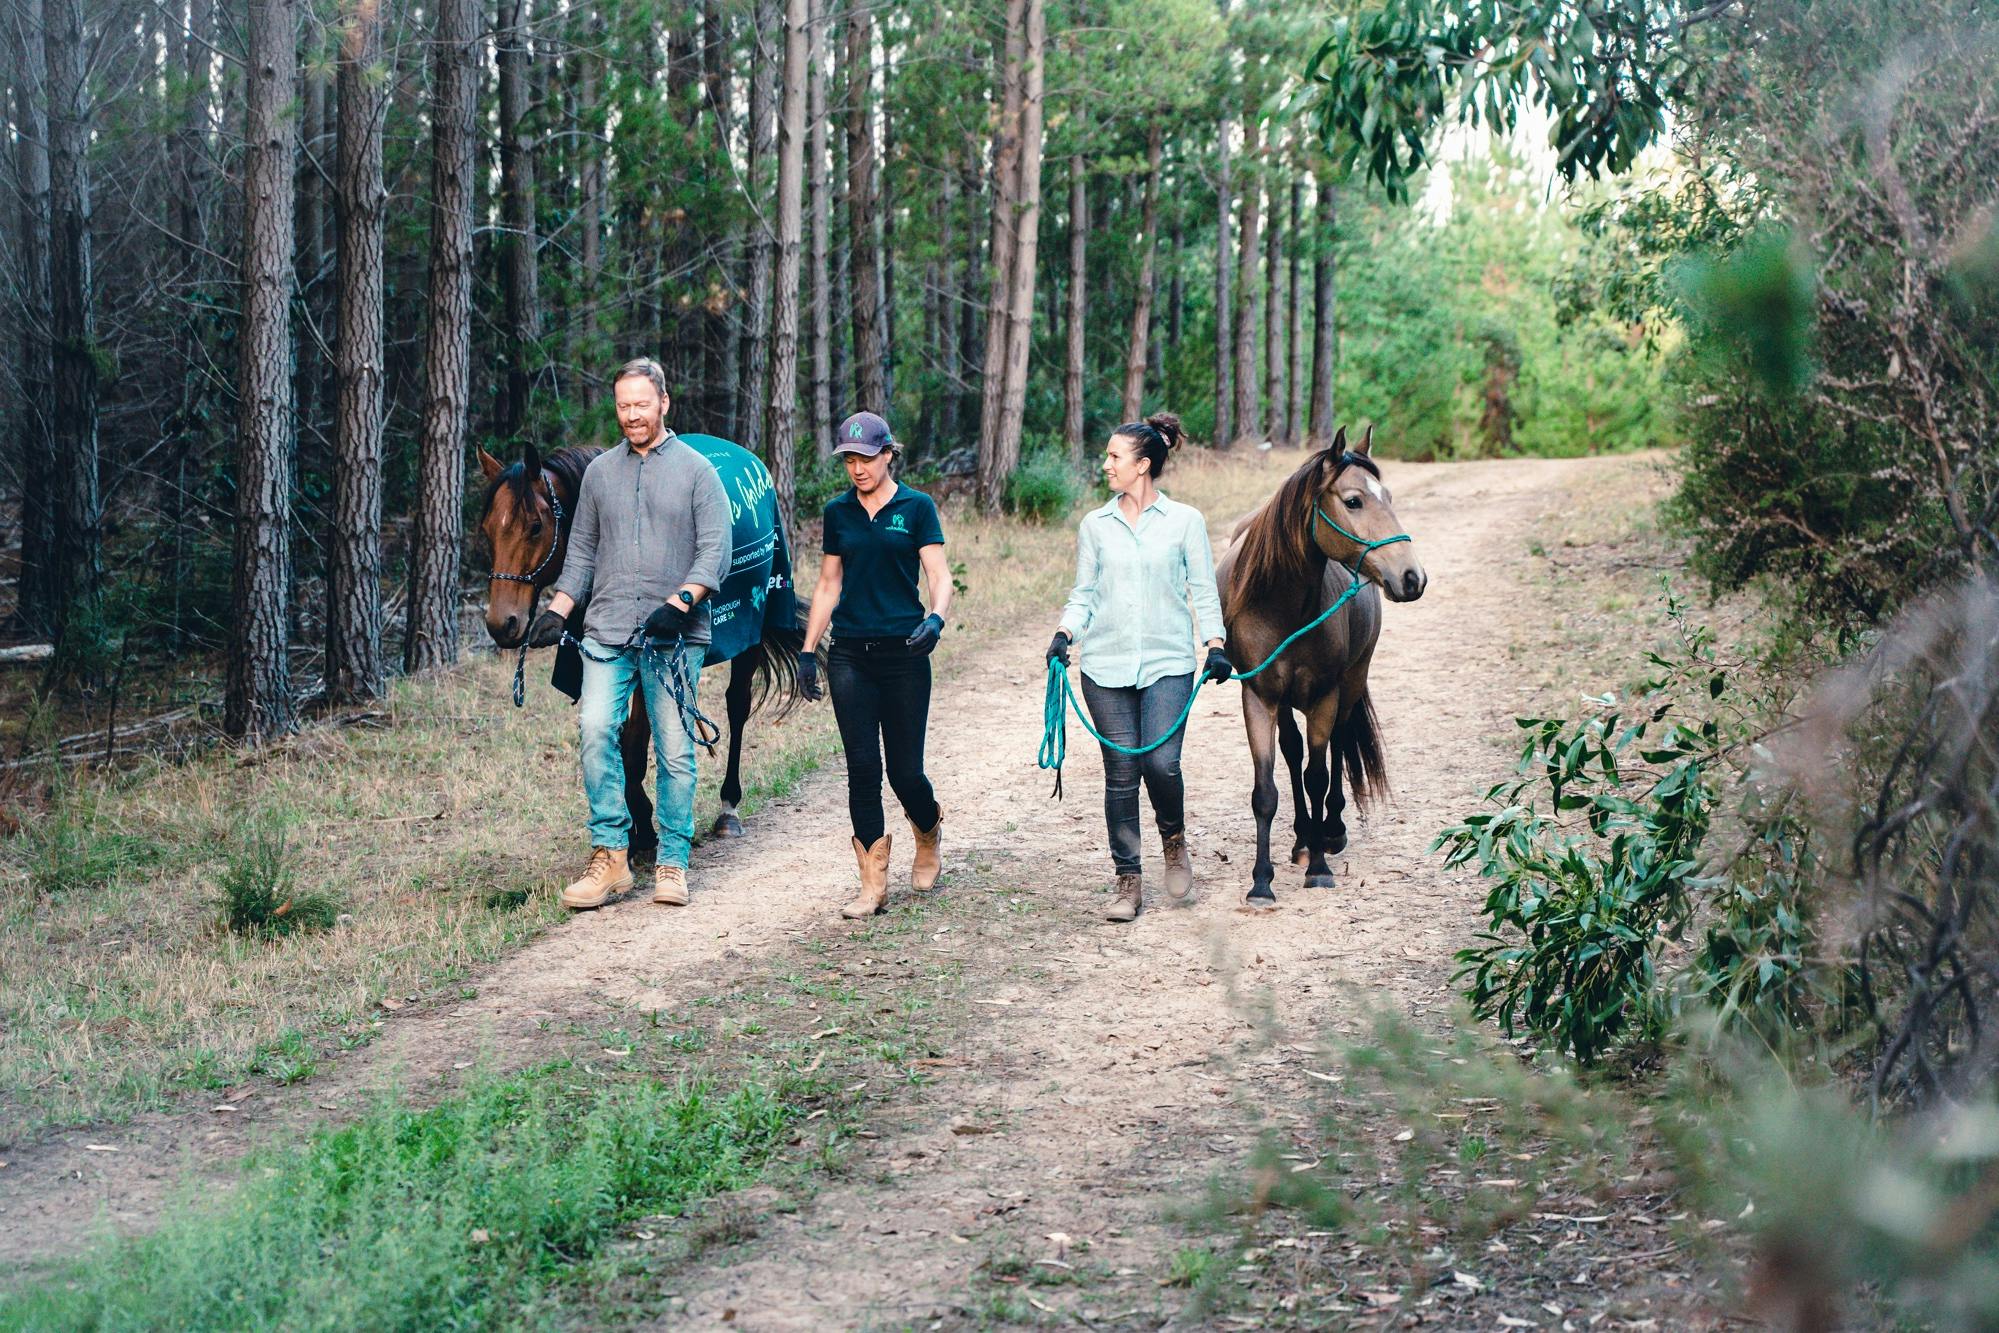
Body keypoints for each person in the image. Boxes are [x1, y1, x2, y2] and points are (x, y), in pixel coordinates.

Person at [531, 358, 730, 911]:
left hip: (674, 637)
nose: (632, 415)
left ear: (664, 402)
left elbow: (715, 552)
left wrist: (680, 602)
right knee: (596, 730)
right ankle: (611, 855)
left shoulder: (697, 472)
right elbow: (582, 553)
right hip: (608, 630)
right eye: (624, 406)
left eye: (642, 404)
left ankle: (672, 859)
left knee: (674, 748)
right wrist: (558, 610)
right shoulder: (600, 474)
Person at [1049, 413, 1230, 923]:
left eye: (1114, 456)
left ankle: (1173, 840)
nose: (1105, 464)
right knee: (1121, 772)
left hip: (1168, 662)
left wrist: (1215, 643)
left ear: (1143, 464)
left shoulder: (1185, 521)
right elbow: (1084, 594)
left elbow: (1203, 589)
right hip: (1104, 666)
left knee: (1161, 763)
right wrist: (1064, 633)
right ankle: (1128, 880)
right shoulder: (1095, 525)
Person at [798, 411, 952, 919]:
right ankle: (872, 885)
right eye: (849, 460)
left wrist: (935, 620)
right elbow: (829, 584)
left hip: (906, 654)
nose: (858, 469)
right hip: (850, 655)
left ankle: (927, 831)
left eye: (866, 458)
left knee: (906, 773)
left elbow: (939, 574)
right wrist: (808, 650)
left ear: (888, 454)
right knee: (863, 769)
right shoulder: (838, 512)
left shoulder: (917, 506)